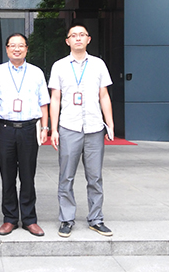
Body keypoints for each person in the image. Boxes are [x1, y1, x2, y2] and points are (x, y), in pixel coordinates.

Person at [48, 21, 115, 238]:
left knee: (95, 177)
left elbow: (104, 95)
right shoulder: (59, 66)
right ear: (67, 41)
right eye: (73, 35)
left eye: (82, 34)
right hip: (69, 127)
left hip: (94, 128)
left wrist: (110, 123)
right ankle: (66, 219)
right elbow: (55, 99)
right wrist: (54, 129)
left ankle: (96, 219)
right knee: (66, 177)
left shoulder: (98, 64)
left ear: (88, 39)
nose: (78, 38)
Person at [0, 33, 50, 237]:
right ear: (7, 49)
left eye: (21, 45)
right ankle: (10, 218)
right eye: (13, 45)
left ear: (26, 49)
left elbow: (44, 102)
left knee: (27, 175)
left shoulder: (36, 72)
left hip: (28, 129)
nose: (17, 49)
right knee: (7, 176)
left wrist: (45, 128)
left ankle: (30, 219)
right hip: (5, 129)